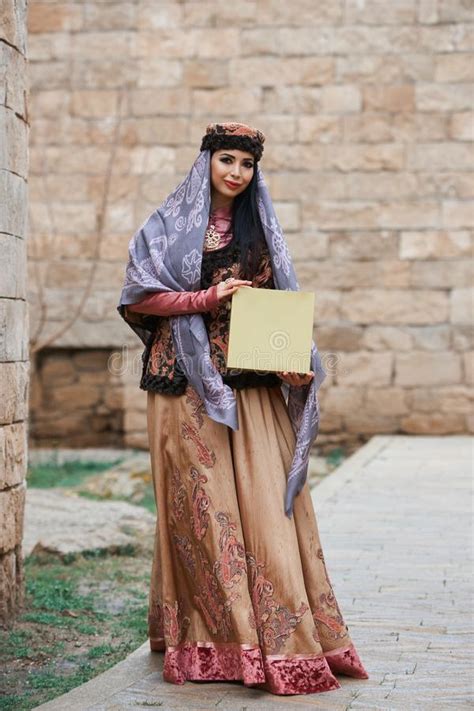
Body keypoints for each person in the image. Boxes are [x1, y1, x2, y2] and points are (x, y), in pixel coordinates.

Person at [117, 122, 369, 695]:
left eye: (246, 164)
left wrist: (294, 363)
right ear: (206, 160)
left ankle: (283, 641)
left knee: (267, 513)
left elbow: (278, 312)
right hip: (184, 387)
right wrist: (205, 299)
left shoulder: (262, 233)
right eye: (226, 159)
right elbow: (138, 292)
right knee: (202, 513)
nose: (236, 171)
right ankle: (215, 643)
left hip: (251, 390)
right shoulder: (167, 227)